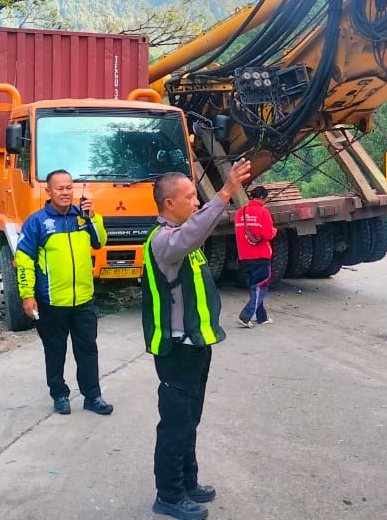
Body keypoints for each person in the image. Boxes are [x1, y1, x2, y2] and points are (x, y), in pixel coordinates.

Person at [141, 158, 251, 520]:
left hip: (196, 346)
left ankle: (188, 483)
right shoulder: (165, 241)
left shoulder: (184, 238)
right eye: (190, 196)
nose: (197, 202)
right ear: (168, 204)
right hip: (176, 352)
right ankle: (168, 495)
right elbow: (192, 234)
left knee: (190, 421)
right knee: (175, 425)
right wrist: (226, 192)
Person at [15, 169, 111, 416]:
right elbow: (24, 260)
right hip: (51, 301)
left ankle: (93, 396)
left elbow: (100, 242)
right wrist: (27, 295)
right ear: (49, 191)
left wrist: (93, 217)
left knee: (88, 350)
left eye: (69, 187)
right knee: (55, 351)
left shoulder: (84, 218)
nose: (66, 192)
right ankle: (59, 394)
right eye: (60, 188)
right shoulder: (37, 222)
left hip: (83, 300)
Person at [234, 184, 277, 328]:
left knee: (255, 286)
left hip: (245, 256)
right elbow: (267, 234)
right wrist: (274, 231)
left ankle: (262, 317)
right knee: (260, 287)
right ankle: (246, 316)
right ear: (263, 198)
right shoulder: (263, 213)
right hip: (261, 255)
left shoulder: (240, 212)